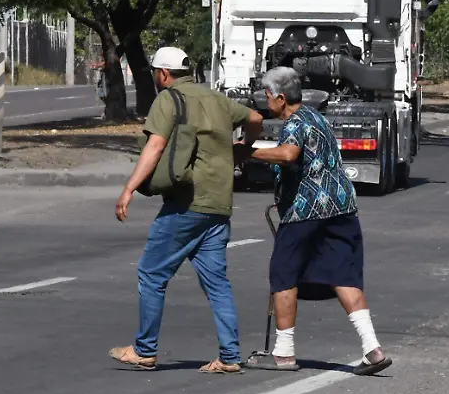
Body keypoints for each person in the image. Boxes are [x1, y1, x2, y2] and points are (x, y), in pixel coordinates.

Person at [111, 46, 264, 374]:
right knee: (217, 281)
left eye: (155, 72)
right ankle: (229, 355)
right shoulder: (216, 99)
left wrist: (128, 189)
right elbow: (256, 118)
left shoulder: (168, 99)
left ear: (163, 74)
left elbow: (155, 145)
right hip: (219, 204)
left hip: (186, 203)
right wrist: (244, 148)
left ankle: (144, 350)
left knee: (152, 274)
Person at [244, 66, 392, 376]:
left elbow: (288, 155)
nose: (266, 99)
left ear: (281, 98)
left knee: (283, 274)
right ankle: (372, 349)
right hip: (341, 206)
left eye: (268, 95)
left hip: (307, 208)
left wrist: (248, 153)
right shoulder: (318, 118)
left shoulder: (295, 123)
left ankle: (283, 352)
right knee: (344, 275)